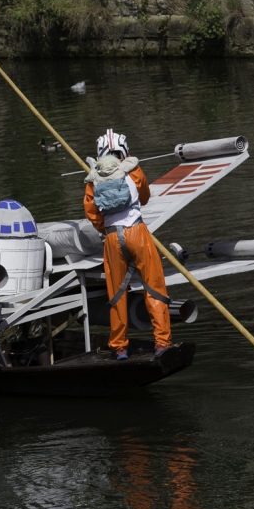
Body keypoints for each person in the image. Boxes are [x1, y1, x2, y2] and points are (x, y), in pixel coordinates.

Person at [82, 129, 172, 361]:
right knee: (153, 287)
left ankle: (120, 347)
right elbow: (144, 197)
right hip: (137, 232)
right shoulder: (134, 170)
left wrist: (108, 230)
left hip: (112, 238)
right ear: (124, 149)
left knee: (117, 293)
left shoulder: (93, 177)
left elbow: (92, 213)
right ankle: (162, 343)